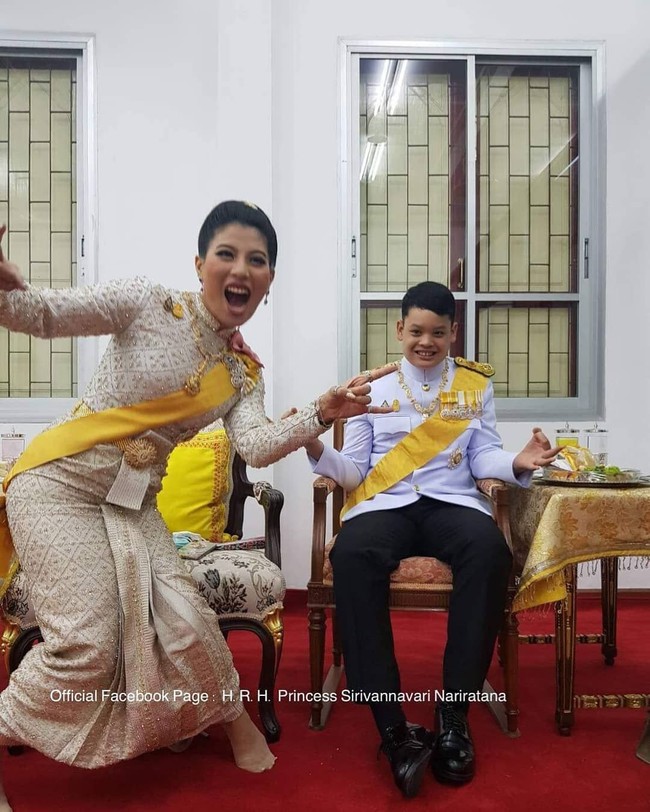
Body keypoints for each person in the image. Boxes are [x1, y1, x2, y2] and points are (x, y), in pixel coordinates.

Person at [0, 200, 391, 812]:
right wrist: (5, 291)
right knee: (89, 647)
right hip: (58, 487)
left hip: (133, 508)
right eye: (226, 254)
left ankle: (230, 720)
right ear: (200, 263)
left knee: (187, 622)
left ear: (268, 279)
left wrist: (321, 412)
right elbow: (43, 314)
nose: (240, 269)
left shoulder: (242, 375)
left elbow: (256, 447)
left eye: (256, 260)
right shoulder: (146, 302)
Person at [304, 281, 559, 799]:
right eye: (417, 331)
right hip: (387, 506)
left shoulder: (474, 385)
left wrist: (516, 461)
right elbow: (353, 471)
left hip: (451, 504)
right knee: (352, 553)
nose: (426, 342)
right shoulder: (372, 388)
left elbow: (483, 455)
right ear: (400, 329)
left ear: (452, 333)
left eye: (438, 333)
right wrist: (314, 447)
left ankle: (454, 713)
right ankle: (392, 726)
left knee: (490, 551)